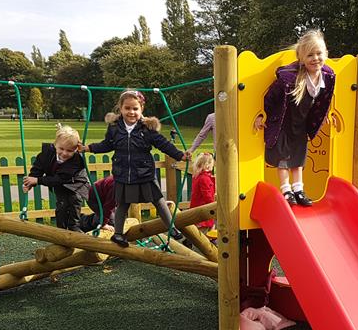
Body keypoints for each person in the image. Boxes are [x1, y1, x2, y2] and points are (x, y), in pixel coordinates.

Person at [80, 90, 189, 247]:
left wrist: (180, 155)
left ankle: (171, 228)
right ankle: (118, 235)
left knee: (158, 200)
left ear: (141, 109)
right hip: (123, 172)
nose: (131, 112)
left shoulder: (147, 129)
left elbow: (163, 144)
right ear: (121, 108)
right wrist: (89, 148)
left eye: (135, 109)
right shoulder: (115, 128)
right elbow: (107, 144)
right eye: (127, 108)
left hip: (144, 172)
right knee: (122, 203)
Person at [253, 29, 336, 207]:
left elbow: (326, 98)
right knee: (282, 159)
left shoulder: (327, 77)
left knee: (298, 159)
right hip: (283, 122)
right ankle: (286, 190)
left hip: (301, 124)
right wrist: (262, 114)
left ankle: (298, 190)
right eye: (310, 55)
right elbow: (270, 96)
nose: (315, 58)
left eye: (319, 53)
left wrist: (326, 113)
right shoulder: (289, 78)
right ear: (301, 58)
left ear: (326, 54)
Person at [22, 125, 90, 232]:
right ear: (55, 145)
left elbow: (60, 178)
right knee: (62, 205)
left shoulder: (76, 160)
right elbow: (38, 167)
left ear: (76, 149)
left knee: (74, 202)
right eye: (61, 149)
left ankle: (74, 226)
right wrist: (30, 182)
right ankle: (61, 229)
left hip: (76, 184)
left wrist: (38, 180)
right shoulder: (47, 154)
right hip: (60, 185)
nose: (64, 153)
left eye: (69, 151)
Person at [190, 152, 216, 230]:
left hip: (198, 207)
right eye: (212, 163)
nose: (213, 165)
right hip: (203, 209)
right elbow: (207, 195)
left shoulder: (198, 176)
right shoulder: (204, 178)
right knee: (205, 229)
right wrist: (214, 205)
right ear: (207, 165)